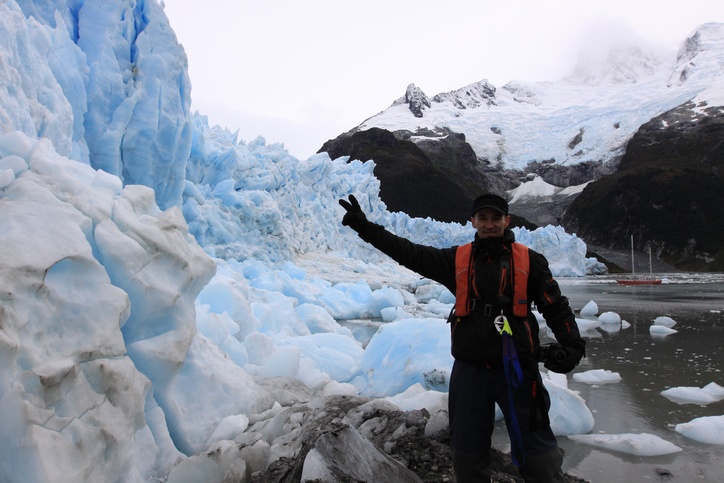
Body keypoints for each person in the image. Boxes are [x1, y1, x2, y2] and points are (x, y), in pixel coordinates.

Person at [339, 193, 586, 483]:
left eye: (496, 218)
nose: (490, 224)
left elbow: (555, 307)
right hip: (470, 372)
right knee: (467, 455)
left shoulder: (530, 262)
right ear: (473, 221)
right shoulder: (456, 260)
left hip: (517, 370)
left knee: (538, 455)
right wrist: (366, 228)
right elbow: (409, 253)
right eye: (483, 218)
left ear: (507, 220)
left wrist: (572, 344)